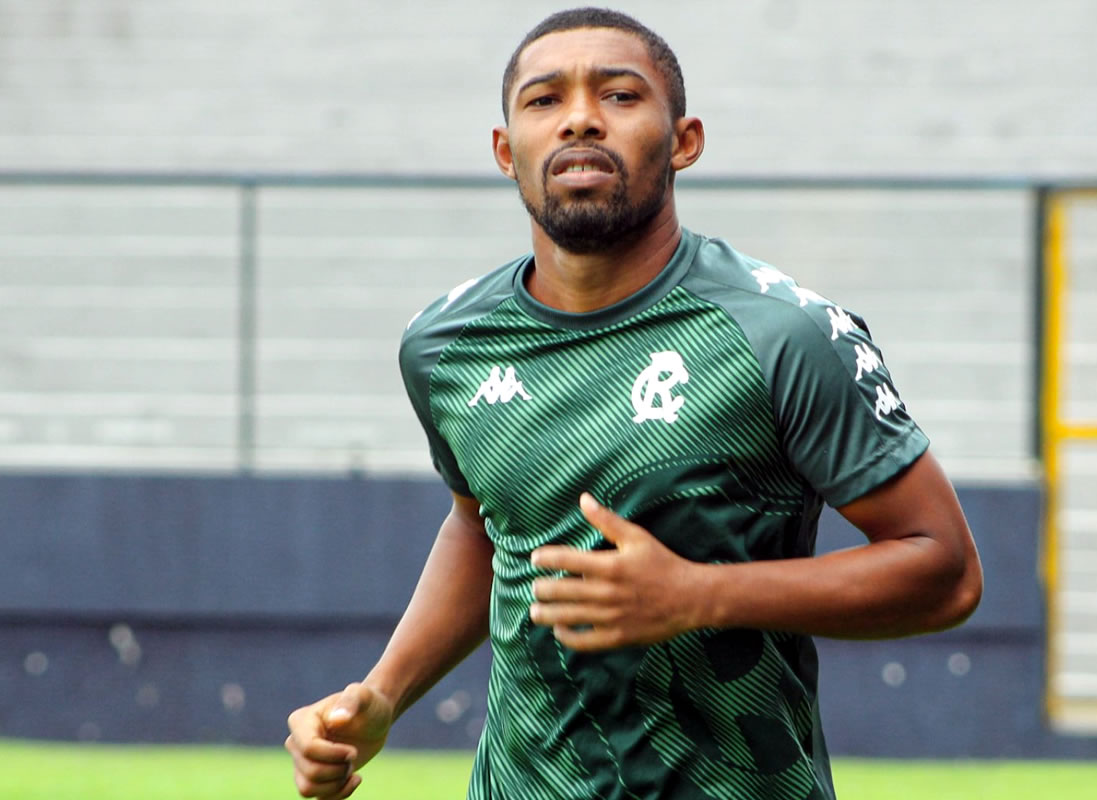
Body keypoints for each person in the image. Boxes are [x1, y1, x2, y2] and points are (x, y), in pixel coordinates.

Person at [285, 7, 983, 800]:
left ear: (684, 141)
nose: (580, 118)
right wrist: (383, 693)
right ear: (507, 152)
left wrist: (700, 594)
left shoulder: (783, 334)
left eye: (619, 95)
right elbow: (485, 526)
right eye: (545, 100)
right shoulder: (446, 345)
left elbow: (945, 569)